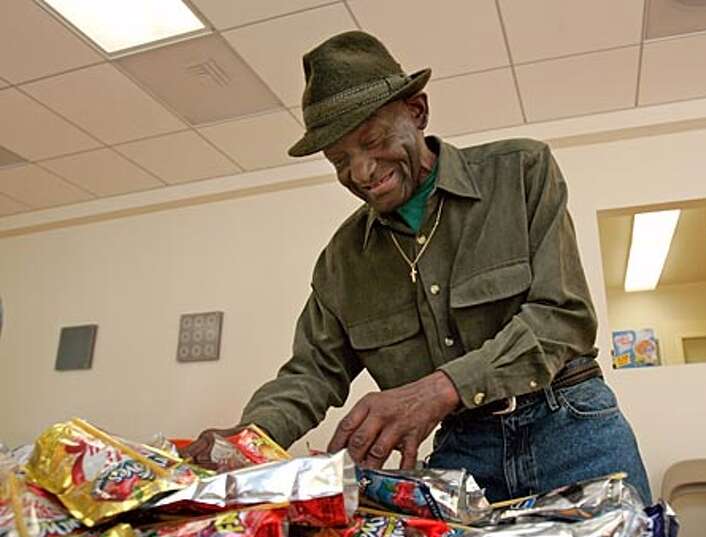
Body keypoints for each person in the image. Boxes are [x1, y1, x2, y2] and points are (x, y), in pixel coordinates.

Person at [181, 31, 652, 504]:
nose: (362, 172)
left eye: (374, 141)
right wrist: (248, 437)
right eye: (340, 160)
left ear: (418, 112)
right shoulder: (342, 260)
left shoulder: (521, 171)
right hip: (465, 450)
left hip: (573, 426)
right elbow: (310, 374)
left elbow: (562, 317)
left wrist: (437, 391)